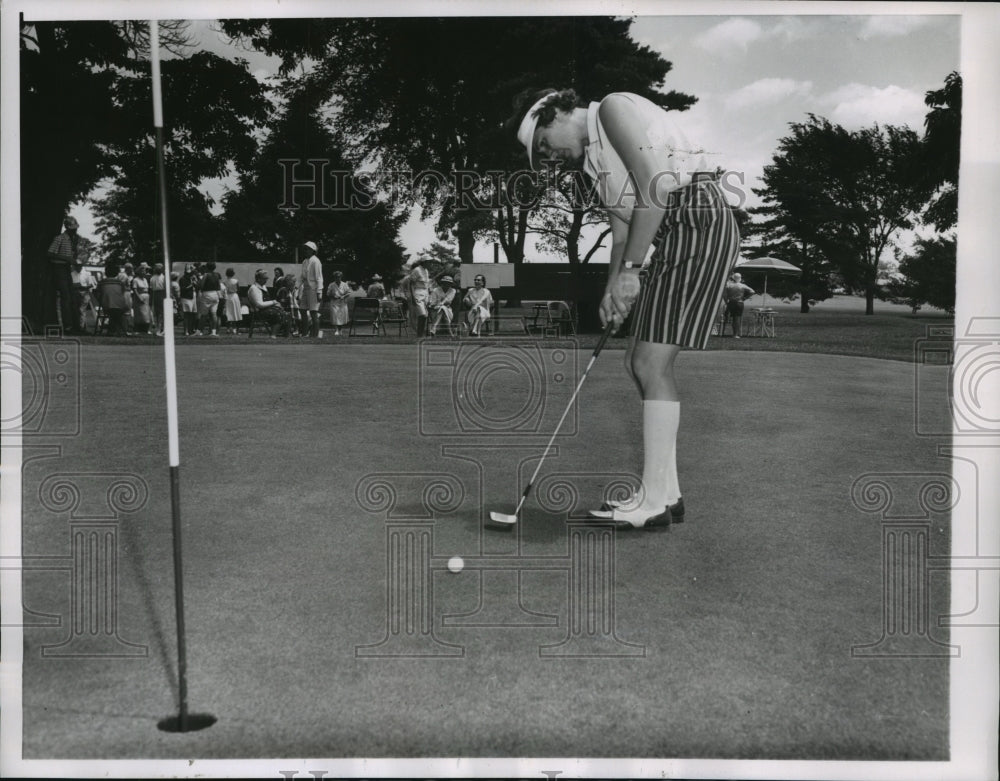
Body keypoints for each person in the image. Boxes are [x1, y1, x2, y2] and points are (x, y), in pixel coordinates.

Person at [509, 88, 739, 528]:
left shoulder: (612, 110)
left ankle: (652, 503)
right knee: (639, 363)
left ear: (555, 113)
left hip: (697, 217)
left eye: (544, 145)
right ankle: (666, 495)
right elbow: (621, 232)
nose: (550, 158)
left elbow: (657, 190)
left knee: (651, 363)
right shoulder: (595, 163)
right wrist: (613, 288)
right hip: (678, 230)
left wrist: (633, 271)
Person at [46, 216, 91, 333]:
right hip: (59, 268)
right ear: (68, 227)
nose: (75, 230)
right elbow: (50, 253)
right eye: (73, 228)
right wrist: (67, 259)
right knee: (66, 297)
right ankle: (68, 326)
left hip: (66, 268)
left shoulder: (73, 240)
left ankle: (76, 325)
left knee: (72, 297)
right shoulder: (60, 238)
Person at [247, 268, 291, 338]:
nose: (266, 280)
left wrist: (276, 304)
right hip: (259, 312)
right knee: (278, 313)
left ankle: (285, 335)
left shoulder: (263, 286)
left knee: (286, 313)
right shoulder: (254, 288)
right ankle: (273, 335)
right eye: (264, 278)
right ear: (258, 279)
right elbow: (259, 304)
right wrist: (273, 302)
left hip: (265, 309)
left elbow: (267, 301)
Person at [298, 241, 324, 338]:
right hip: (306, 288)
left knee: (313, 312)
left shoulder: (316, 261)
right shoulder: (305, 261)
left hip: (314, 289)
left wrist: (319, 292)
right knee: (302, 310)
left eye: (308, 249)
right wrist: (298, 288)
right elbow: (302, 276)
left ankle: (315, 335)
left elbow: (319, 277)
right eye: (305, 249)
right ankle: (305, 333)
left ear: (313, 250)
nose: (306, 251)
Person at [95, 263, 129, 336]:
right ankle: (119, 330)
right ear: (117, 273)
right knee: (118, 312)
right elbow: (122, 293)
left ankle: (113, 330)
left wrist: (101, 301)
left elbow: (98, 294)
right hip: (120, 306)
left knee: (113, 312)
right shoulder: (120, 283)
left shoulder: (102, 282)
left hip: (107, 305)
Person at [722, 272, 756, 339]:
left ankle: (722, 332)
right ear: (740, 279)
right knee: (737, 318)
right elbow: (752, 291)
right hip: (739, 302)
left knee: (729, 317)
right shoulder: (742, 285)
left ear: (733, 278)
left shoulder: (728, 285)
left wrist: (726, 302)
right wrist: (745, 298)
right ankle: (735, 334)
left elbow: (724, 295)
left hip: (731, 302)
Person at [403, 258, 430, 336]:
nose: (430, 264)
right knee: (422, 315)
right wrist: (413, 297)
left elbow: (426, 285)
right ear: (424, 262)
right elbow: (411, 284)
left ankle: (420, 333)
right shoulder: (417, 270)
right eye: (428, 262)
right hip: (417, 293)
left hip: (425, 294)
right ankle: (419, 333)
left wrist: (428, 295)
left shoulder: (426, 271)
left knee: (425, 315)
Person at [70, 260, 97, 333]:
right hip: (75, 294)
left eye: (80, 266)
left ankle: (82, 327)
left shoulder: (86, 274)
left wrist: (84, 287)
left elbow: (92, 284)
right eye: (77, 266)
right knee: (76, 310)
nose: (78, 267)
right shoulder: (71, 274)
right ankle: (77, 327)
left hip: (84, 293)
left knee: (82, 310)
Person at [198, 261, 223, 336]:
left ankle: (200, 331)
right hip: (215, 294)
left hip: (207, 294)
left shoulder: (206, 275)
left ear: (207, 267)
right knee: (214, 314)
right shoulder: (217, 275)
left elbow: (201, 285)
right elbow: (218, 286)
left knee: (203, 315)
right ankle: (214, 332)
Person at [326, 271, 350, 336]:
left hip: (342, 302)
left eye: (339, 277)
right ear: (334, 278)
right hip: (334, 303)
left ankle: (340, 330)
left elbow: (348, 293)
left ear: (341, 277)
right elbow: (328, 293)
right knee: (335, 316)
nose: (338, 278)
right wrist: (333, 296)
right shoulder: (331, 285)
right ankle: (336, 330)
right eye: (336, 277)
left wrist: (343, 296)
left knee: (341, 316)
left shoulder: (344, 284)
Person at [178, 264, 199, 336]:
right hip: (186, 298)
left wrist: (195, 283)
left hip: (193, 297)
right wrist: (191, 285)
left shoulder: (193, 278)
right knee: (187, 314)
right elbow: (183, 289)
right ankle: (186, 331)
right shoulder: (182, 279)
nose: (192, 273)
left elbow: (197, 287)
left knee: (193, 314)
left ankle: (190, 330)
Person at [131, 262, 152, 334]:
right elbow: (134, 289)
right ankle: (137, 329)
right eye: (142, 271)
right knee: (139, 313)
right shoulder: (135, 280)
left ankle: (146, 329)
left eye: (145, 271)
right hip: (139, 296)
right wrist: (139, 297)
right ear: (139, 272)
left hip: (146, 297)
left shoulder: (145, 280)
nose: (144, 272)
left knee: (146, 313)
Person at [223, 267, 243, 335]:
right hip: (234, 296)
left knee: (228, 312)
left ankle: (228, 329)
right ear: (233, 274)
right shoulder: (236, 281)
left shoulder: (224, 282)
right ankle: (234, 329)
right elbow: (239, 289)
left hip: (228, 296)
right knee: (235, 312)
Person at [149, 263, 166, 336]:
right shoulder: (152, 278)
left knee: (162, 313)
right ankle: (158, 329)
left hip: (162, 294)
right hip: (155, 294)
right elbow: (151, 288)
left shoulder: (164, 277)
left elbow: (165, 288)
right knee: (157, 313)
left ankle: (163, 329)